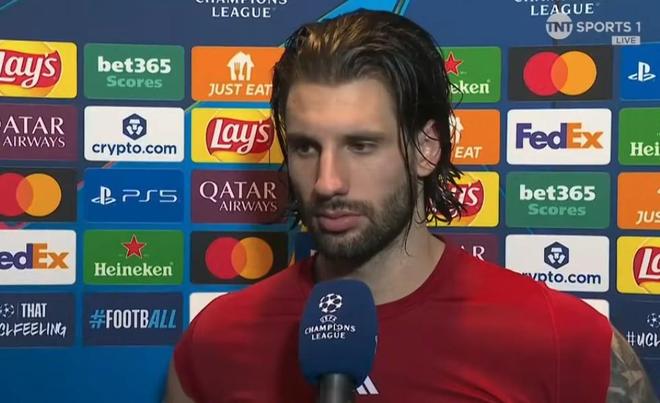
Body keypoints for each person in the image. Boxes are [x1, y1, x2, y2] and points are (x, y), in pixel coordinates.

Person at [165, 9, 657, 403]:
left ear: (427, 148)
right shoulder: (217, 342)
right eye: (306, 147)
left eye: (361, 145)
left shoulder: (565, 342)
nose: (327, 181)